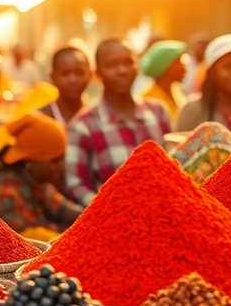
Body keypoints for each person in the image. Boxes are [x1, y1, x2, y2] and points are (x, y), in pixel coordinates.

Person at [65, 38, 171, 206]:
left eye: (128, 62)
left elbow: (175, 167)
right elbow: (76, 185)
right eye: (111, 65)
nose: (122, 71)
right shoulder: (83, 126)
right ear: (97, 74)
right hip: (114, 224)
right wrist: (111, 210)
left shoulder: (158, 112)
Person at [0, 113, 83, 234]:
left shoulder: (40, 183)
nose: (62, 166)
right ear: (29, 161)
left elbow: (63, 209)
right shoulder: (6, 194)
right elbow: (30, 236)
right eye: (55, 160)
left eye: (63, 158)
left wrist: (93, 215)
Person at [138, 40, 188, 122]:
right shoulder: (148, 99)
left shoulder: (176, 91)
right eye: (179, 62)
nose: (184, 67)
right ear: (166, 67)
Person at [40, 46, 90, 126]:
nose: (73, 80)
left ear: (89, 75)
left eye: (79, 73)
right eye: (65, 73)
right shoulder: (40, 120)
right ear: (52, 77)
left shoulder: (96, 119)